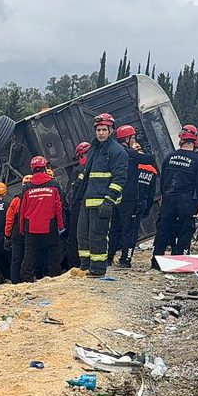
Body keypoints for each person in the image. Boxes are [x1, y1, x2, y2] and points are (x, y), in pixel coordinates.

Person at [75, 113, 128, 276]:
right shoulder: (94, 150)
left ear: (111, 130)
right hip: (88, 200)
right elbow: (87, 172)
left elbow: (120, 178)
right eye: (98, 130)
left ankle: (98, 269)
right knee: (82, 236)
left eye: (104, 129)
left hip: (102, 202)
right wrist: (76, 190)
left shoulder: (117, 151)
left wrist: (109, 201)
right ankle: (85, 266)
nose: (101, 133)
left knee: (97, 236)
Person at [151, 125, 198, 266]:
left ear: (181, 139)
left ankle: (156, 261)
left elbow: (163, 180)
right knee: (186, 230)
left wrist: (164, 197)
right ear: (196, 140)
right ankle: (180, 262)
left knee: (163, 229)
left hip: (169, 199)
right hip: (187, 201)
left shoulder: (169, 157)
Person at [108, 125, 157, 268]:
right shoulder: (131, 154)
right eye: (133, 137)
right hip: (130, 198)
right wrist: (145, 144)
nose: (134, 140)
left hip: (115, 196)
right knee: (128, 230)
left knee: (114, 229)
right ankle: (125, 259)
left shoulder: (112, 153)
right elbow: (150, 158)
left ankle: (108, 258)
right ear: (127, 139)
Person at [18, 155, 65, 281]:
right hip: (50, 224)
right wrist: (61, 226)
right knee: (53, 252)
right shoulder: (54, 185)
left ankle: (26, 278)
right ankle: (54, 277)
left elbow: (22, 210)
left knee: (29, 254)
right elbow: (58, 208)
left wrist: (22, 228)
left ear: (33, 169)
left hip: (31, 226)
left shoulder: (27, 187)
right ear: (45, 168)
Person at [62, 141, 91, 269]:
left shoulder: (78, 171)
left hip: (78, 208)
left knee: (75, 237)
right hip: (94, 207)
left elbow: (70, 194)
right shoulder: (99, 166)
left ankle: (75, 265)